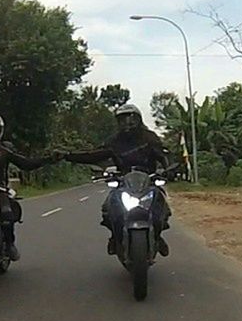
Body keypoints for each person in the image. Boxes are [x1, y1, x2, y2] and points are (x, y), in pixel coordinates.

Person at [64, 103, 171, 256]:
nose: (127, 122)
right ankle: (115, 237)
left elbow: (163, 155)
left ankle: (158, 236)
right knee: (107, 208)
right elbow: (93, 155)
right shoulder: (114, 141)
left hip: (148, 180)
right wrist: (68, 155)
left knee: (162, 206)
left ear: (138, 119)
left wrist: (167, 170)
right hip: (124, 182)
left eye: (130, 118)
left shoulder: (149, 137)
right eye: (122, 119)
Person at [0, 112, 61, 261]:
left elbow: (26, 164)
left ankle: (9, 244)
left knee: (7, 215)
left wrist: (48, 159)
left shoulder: (4, 151)